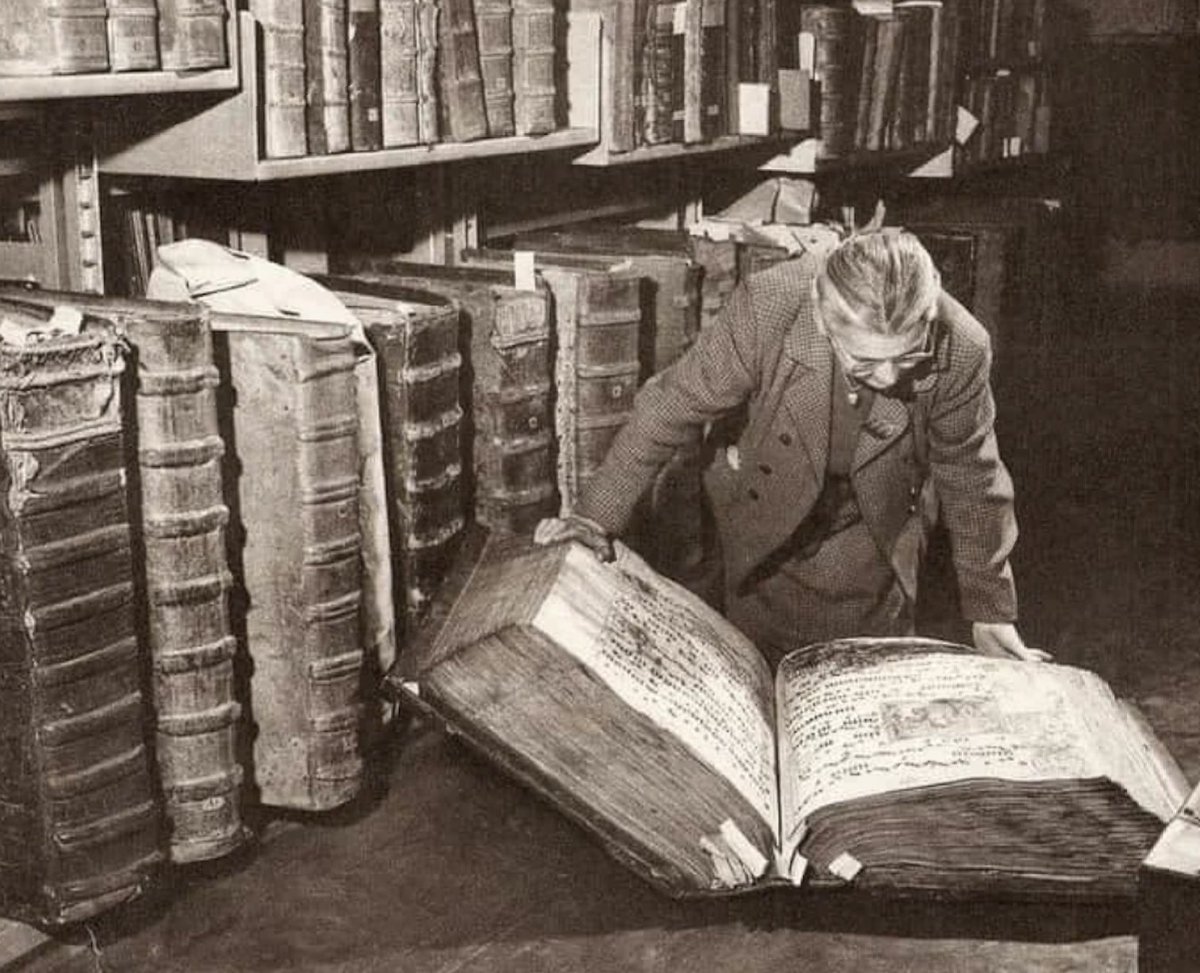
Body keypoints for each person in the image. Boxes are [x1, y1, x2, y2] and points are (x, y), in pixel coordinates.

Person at [535, 226, 1050, 669]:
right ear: (824, 324)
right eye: (867, 362)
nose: (892, 378)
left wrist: (990, 611)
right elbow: (670, 407)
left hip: (872, 526)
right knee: (747, 666)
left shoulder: (963, 345)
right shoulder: (771, 306)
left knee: (858, 668)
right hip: (762, 518)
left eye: (909, 355)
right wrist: (594, 519)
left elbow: (972, 479)